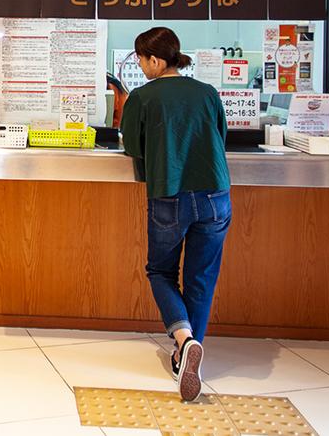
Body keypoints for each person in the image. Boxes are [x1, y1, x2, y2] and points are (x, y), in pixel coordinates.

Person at [120, 27, 231, 402]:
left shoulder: (144, 97)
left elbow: (132, 147)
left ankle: (184, 341)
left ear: (155, 59)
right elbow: (220, 137)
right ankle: (188, 355)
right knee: (201, 278)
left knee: (161, 270)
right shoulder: (207, 93)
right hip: (216, 196)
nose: (139, 66)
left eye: (140, 59)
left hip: (170, 196)